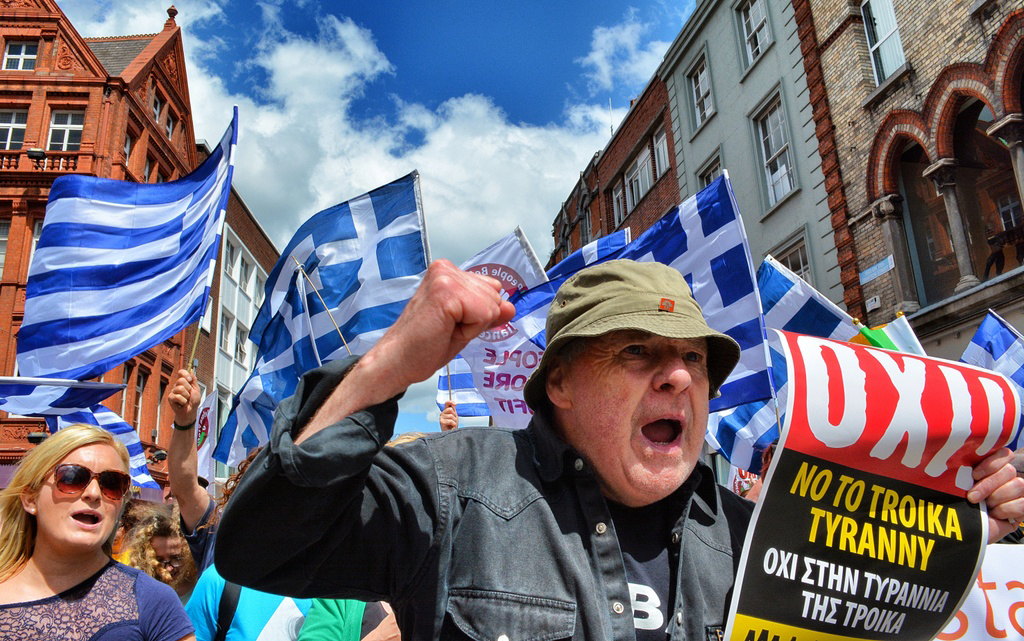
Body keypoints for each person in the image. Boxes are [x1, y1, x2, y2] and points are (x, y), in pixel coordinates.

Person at [213, 259, 1024, 640]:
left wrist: (986, 537)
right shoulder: (449, 487)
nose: (679, 375)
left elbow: (913, 610)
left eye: (695, 359)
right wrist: (389, 366)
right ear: (558, 381)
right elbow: (260, 543)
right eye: (638, 352)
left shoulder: (757, 531)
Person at [0, 424, 194, 641]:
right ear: (30, 498)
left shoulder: (153, 601)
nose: (93, 493)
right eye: (72, 477)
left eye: (112, 484)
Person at [124, 503, 198, 602]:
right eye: (159, 560)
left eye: (176, 558)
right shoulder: (141, 594)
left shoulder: (201, 589)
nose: (168, 568)